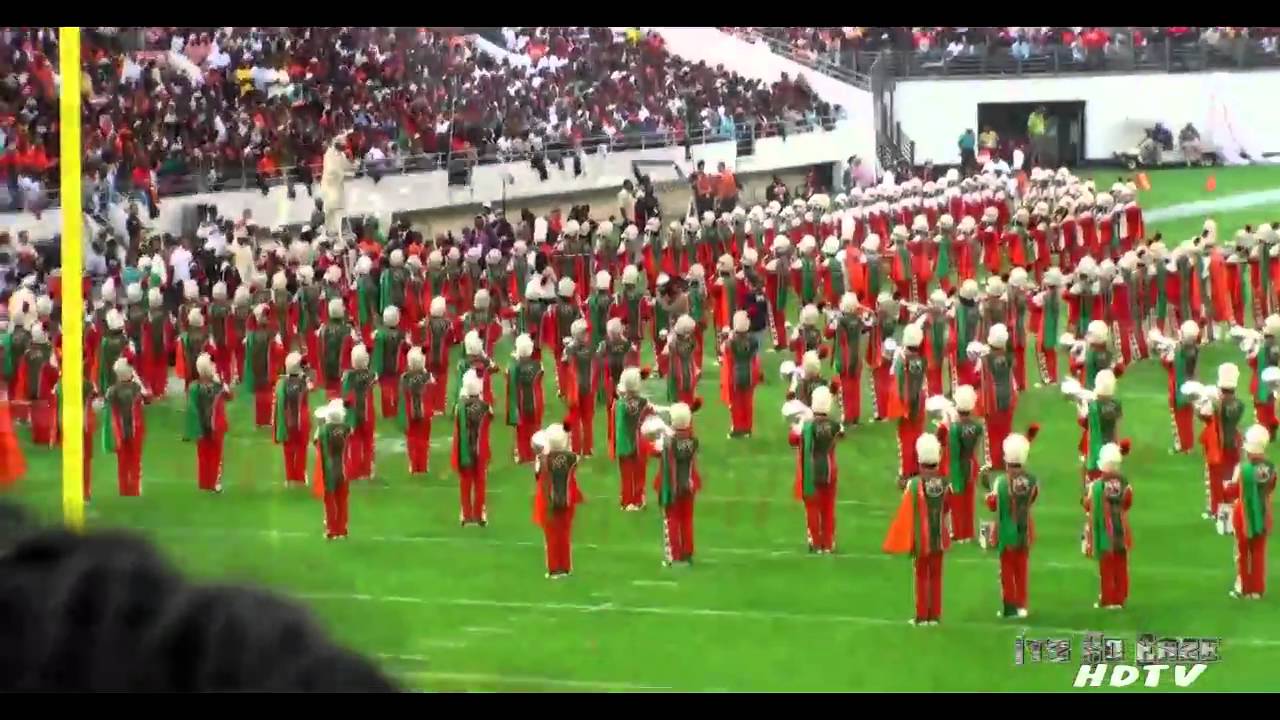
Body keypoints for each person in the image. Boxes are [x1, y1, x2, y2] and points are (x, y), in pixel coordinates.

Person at [883, 433, 952, 626]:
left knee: (922, 577)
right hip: (939, 536)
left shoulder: (914, 484)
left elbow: (906, 510)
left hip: (922, 538)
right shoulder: (945, 482)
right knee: (937, 576)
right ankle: (935, 616)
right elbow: (947, 507)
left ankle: (922, 616)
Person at [984, 433, 1038, 619]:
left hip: (1006, 532)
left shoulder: (1000, 482)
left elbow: (992, 504)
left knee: (1007, 571)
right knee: (1021, 570)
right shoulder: (1032, 481)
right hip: (1024, 530)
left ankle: (1010, 607)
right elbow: (1031, 499)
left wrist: (986, 491)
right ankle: (1022, 605)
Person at [788, 386, 843, 554]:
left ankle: (816, 541)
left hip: (810, 470)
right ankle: (828, 542)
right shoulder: (835, 425)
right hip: (829, 469)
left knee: (812, 507)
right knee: (828, 508)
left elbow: (792, 440)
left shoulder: (807, 426)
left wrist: (796, 423)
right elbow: (841, 433)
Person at [1224, 425, 1275, 599]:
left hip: (1243, 514)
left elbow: (1231, 492)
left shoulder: (1242, 469)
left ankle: (1243, 587)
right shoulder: (1271, 468)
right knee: (1259, 553)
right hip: (1263, 511)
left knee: (1242, 552)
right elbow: (1270, 487)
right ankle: (1257, 589)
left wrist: (1227, 486)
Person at [1083, 442, 1133, 610]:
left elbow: (1088, 505)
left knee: (1107, 567)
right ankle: (1120, 597)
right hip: (1121, 529)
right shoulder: (1125, 482)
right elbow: (1128, 502)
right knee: (1121, 564)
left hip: (1104, 532)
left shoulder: (1096, 485)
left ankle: (1108, 598)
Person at [652, 402, 700, 566]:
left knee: (672, 520)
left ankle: (675, 555)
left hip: (672, 487)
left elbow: (661, 458)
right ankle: (688, 552)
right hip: (689, 485)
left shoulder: (669, 442)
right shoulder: (693, 441)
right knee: (687, 520)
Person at [533, 422, 582, 578]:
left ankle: (555, 569)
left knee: (551, 536)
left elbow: (537, 475)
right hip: (566, 502)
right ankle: (566, 567)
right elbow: (576, 459)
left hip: (549, 502)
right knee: (565, 535)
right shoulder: (572, 458)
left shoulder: (543, 459)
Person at [1198, 363, 1245, 523]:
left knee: (1214, 481)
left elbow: (1205, 416)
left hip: (1218, 447)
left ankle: (1216, 510)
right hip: (1234, 446)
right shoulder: (1239, 404)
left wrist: (1204, 402)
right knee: (1229, 479)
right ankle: (1229, 507)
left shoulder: (1219, 405)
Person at [937, 385, 984, 544]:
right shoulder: (977, 426)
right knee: (969, 501)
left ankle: (958, 533)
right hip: (971, 464)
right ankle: (969, 532)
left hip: (957, 466)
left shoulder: (955, 428)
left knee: (957, 501)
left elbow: (953, 451)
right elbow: (976, 449)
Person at [101, 357, 147, 497]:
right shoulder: (136, 388)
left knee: (122, 462)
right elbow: (147, 396)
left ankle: (123, 489)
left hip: (119, 430)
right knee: (135, 460)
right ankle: (134, 489)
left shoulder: (112, 391)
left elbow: (107, 409)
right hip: (135, 429)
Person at [184, 353, 230, 493]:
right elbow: (230, 396)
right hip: (216, 426)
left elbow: (191, 409)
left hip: (201, 427)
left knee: (203, 456)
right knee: (215, 456)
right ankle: (215, 483)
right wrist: (222, 383)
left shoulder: (193, 387)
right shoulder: (218, 386)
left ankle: (205, 483)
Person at [453, 370, 493, 527]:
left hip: (465, 450)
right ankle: (479, 513)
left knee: (465, 482)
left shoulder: (460, 407)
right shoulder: (486, 407)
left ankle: (466, 513)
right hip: (480, 450)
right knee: (480, 482)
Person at [612, 366, 654, 511]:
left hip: (624, 443)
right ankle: (638, 500)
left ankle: (627, 501)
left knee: (626, 475)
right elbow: (651, 417)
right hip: (640, 443)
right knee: (639, 473)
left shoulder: (619, 404)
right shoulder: (644, 402)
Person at [311, 399, 353, 540]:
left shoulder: (323, 430)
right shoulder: (347, 428)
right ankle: (342, 529)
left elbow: (316, 442)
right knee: (342, 501)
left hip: (328, 470)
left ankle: (331, 529)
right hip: (344, 470)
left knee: (330, 501)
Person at [16, 322, 58, 447]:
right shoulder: (51, 350)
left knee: (36, 415)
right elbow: (55, 370)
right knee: (47, 413)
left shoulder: (28, 353)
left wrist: (24, 391)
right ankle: (47, 435)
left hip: (32, 390)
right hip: (47, 390)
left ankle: (38, 436)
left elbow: (22, 374)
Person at [273, 352, 312, 486]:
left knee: (288, 450)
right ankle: (300, 476)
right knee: (301, 449)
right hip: (302, 421)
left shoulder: (281, 383)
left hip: (287, 421)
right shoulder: (304, 382)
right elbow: (312, 384)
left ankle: (290, 477)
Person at [505, 334, 544, 465]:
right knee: (535, 427)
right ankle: (536, 454)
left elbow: (509, 379)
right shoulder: (538, 365)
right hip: (536, 401)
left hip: (521, 402)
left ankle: (524, 456)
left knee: (522, 430)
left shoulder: (514, 367)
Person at [341, 344, 377, 482]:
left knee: (354, 443)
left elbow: (345, 393)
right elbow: (375, 380)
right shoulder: (371, 375)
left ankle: (353, 471)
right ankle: (366, 471)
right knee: (368, 443)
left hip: (353, 414)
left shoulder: (348, 376)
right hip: (368, 413)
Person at [399, 347, 434, 476]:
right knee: (424, 440)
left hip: (410, 412)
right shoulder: (427, 376)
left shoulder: (405, 377)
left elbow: (402, 393)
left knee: (412, 439)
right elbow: (432, 388)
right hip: (425, 412)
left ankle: (414, 466)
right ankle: (423, 466)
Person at [372, 306, 407, 419]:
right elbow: (405, 349)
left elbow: (377, 353)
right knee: (396, 390)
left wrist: (376, 369)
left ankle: (388, 412)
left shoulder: (380, 334)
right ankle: (395, 410)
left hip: (384, 367)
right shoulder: (401, 334)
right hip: (397, 367)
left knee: (386, 391)